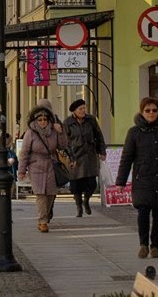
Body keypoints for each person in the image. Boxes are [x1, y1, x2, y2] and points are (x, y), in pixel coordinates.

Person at [116, 96, 158, 259]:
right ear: (142, 112)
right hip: (143, 179)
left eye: (154, 110)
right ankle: (143, 244)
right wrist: (121, 181)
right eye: (147, 110)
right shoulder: (134, 132)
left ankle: (155, 246)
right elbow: (127, 158)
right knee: (143, 212)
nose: (151, 113)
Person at [18, 102, 68, 232]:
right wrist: (22, 170)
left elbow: (62, 145)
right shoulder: (30, 133)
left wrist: (60, 132)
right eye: (39, 119)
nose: (42, 122)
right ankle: (42, 221)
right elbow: (24, 152)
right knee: (41, 194)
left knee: (51, 194)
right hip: (36, 165)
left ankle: (45, 217)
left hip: (51, 164)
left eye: (45, 119)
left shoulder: (54, 131)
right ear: (35, 120)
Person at [63, 99, 107, 217]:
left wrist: (102, 151)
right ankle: (79, 206)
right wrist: (70, 156)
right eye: (80, 109)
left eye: (84, 108)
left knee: (91, 184)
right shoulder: (67, 122)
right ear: (74, 111)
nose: (83, 111)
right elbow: (65, 142)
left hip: (90, 156)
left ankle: (86, 201)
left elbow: (99, 135)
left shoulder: (91, 120)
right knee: (76, 185)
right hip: (75, 157)